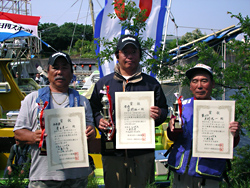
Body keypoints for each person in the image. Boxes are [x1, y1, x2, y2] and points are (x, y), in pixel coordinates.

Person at [90, 34, 168, 187]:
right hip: (112, 153)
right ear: (117, 55)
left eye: (134, 52)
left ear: (139, 55)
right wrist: (99, 119)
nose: (129, 56)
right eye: (125, 52)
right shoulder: (104, 83)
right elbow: (92, 109)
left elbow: (164, 110)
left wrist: (159, 114)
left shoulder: (151, 84)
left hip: (142, 153)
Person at [14, 52, 96, 188]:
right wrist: (34, 136)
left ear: (71, 72)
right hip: (43, 177)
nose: (60, 72)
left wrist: (91, 132)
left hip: (76, 177)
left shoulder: (82, 101)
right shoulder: (32, 99)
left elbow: (91, 130)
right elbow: (18, 133)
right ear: (48, 71)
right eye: (55, 67)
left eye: (64, 67)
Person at [167, 64, 240, 188]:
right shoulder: (180, 106)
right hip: (182, 172)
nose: (199, 85)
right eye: (194, 81)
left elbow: (230, 144)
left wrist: (235, 133)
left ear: (212, 84)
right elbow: (172, 137)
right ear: (190, 86)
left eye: (204, 81)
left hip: (208, 172)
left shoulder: (223, 110)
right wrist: (172, 128)